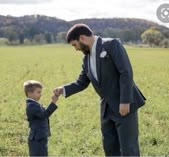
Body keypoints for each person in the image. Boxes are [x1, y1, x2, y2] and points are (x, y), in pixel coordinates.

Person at [53, 23, 146, 156]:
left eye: (75, 44)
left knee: (128, 149)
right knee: (110, 148)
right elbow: (81, 82)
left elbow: (126, 73)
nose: (75, 49)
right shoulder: (86, 59)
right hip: (106, 109)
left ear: (82, 38)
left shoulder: (112, 45)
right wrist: (63, 89)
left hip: (124, 106)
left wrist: (125, 101)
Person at [24, 80, 58, 156]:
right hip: (37, 139)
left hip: (40, 137)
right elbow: (44, 115)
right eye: (38, 92)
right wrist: (53, 103)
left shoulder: (34, 104)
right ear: (29, 93)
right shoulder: (31, 106)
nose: (41, 94)